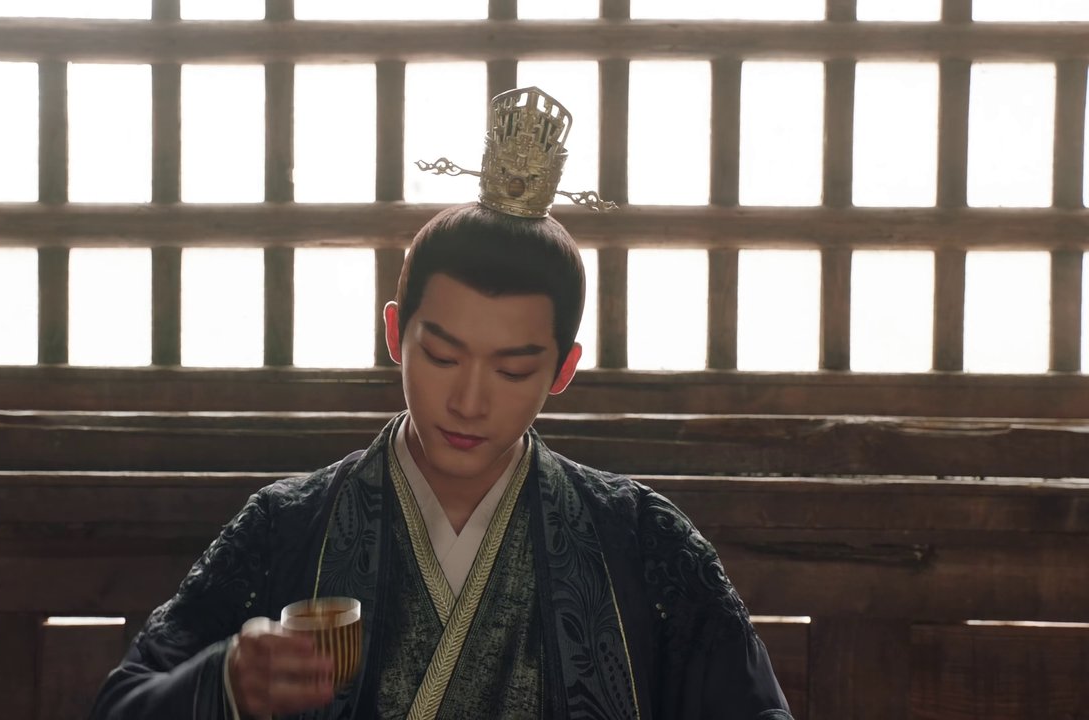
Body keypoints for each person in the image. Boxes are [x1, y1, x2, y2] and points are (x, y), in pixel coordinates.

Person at [89, 87, 792, 720]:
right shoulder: (288, 526)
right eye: (443, 357)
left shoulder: (643, 542)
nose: (468, 401)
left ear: (562, 370)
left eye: (513, 370)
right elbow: (123, 704)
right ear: (396, 333)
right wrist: (226, 687)